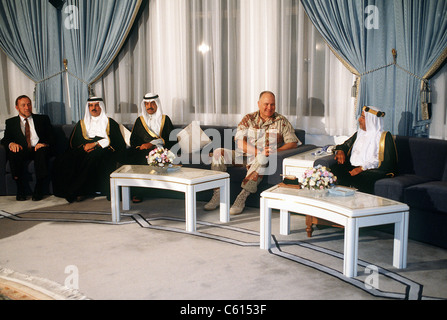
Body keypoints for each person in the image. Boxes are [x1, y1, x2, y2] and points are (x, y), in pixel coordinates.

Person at [204, 91, 300, 215]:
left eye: (272, 104)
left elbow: (292, 142)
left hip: (261, 160)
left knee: (262, 158)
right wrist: (258, 151)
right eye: (266, 104)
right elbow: (240, 143)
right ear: (259, 104)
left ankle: (241, 198)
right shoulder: (248, 119)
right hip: (242, 156)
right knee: (218, 153)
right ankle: (217, 195)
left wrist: (275, 152)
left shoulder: (281, 121)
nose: (269, 108)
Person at [52, 97, 126, 203]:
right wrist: (84, 147)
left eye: (96, 105)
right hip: (84, 149)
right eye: (91, 106)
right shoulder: (82, 123)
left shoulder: (110, 122)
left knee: (94, 156)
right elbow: (74, 143)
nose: (94, 108)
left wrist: (96, 144)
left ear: (101, 107)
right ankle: (75, 190)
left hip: (104, 150)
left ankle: (77, 191)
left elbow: (117, 142)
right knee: (65, 159)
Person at [331, 106, 398, 194]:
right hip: (354, 167)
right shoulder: (359, 133)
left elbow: (381, 160)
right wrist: (340, 151)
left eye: (363, 117)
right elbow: (345, 145)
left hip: (371, 170)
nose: (359, 120)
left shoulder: (383, 137)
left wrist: (361, 168)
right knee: (333, 170)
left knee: (362, 178)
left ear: (371, 120)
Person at [1, 95, 55, 201]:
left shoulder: (43, 119)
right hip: (22, 150)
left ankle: (39, 188)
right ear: (17, 107)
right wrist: (11, 143)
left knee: (41, 151)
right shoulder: (11, 122)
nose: (27, 107)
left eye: (29, 104)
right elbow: (5, 139)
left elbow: (52, 136)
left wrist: (43, 143)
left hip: (38, 148)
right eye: (23, 105)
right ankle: (20, 188)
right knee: (14, 152)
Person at [127, 93, 175, 202]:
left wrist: (152, 143)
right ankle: (125, 191)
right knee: (127, 156)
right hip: (142, 150)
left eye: (152, 103)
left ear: (157, 104)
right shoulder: (140, 120)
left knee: (147, 158)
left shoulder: (165, 119)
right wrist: (141, 146)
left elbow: (171, 139)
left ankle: (138, 193)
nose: (149, 106)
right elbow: (133, 140)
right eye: (147, 104)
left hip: (159, 149)